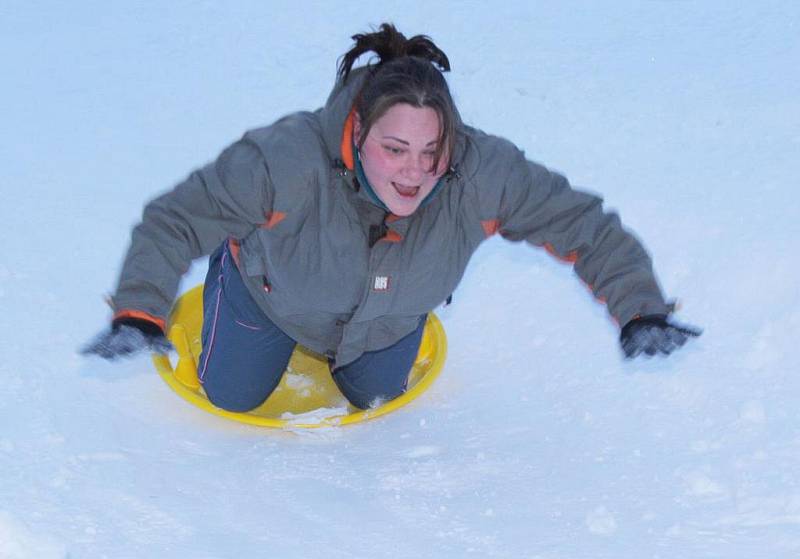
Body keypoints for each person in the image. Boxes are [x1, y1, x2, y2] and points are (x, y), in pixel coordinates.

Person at [83, 23, 701, 411]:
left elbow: (583, 225)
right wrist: (139, 310)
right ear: (357, 132)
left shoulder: (483, 174)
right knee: (233, 399)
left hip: (388, 313)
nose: (415, 172)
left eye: (432, 151)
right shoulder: (287, 160)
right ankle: (235, 275)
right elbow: (178, 218)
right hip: (273, 296)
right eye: (395, 150)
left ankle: (354, 351)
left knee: (378, 399)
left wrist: (640, 307)